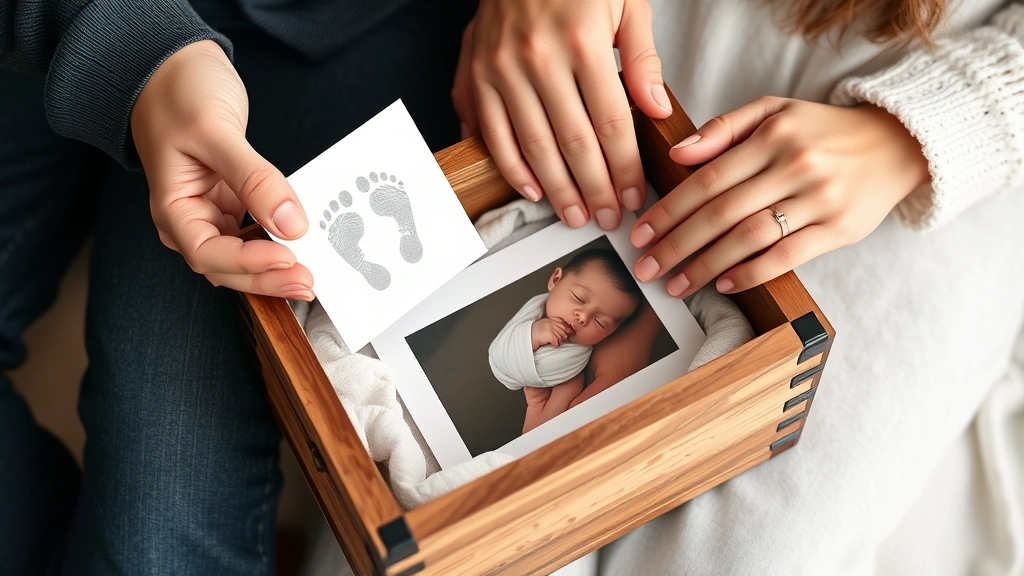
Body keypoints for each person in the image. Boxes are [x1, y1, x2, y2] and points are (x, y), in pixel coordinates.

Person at [453, 0, 1024, 574]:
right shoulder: (541, 323)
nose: (582, 324)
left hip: (929, 155)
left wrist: (915, 134)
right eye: (583, 307)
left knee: (756, 553)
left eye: (602, 319)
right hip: (637, 56)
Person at [487, 249, 642, 432]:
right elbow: (498, 356)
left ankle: (537, 428)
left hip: (559, 380)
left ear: (612, 333)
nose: (582, 317)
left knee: (572, 385)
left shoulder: (577, 367)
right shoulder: (536, 311)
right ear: (555, 280)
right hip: (509, 362)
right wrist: (534, 333)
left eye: (600, 322)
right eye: (579, 298)